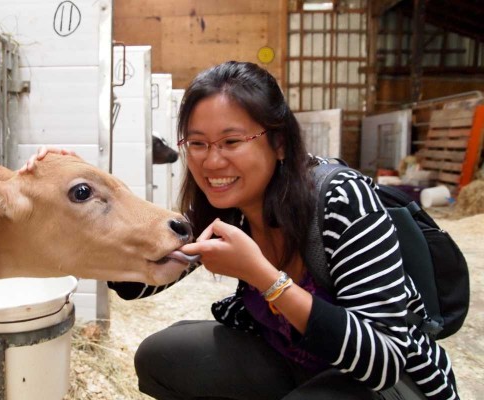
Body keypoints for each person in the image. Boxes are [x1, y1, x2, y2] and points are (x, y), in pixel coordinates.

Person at [106, 61, 459, 400]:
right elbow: (138, 281)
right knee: (160, 357)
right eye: (198, 143)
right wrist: (73, 216)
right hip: (294, 361)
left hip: (379, 387)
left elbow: (382, 363)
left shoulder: (342, 199)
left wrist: (265, 278)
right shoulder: (227, 207)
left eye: (231, 142)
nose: (211, 162)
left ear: (279, 143)